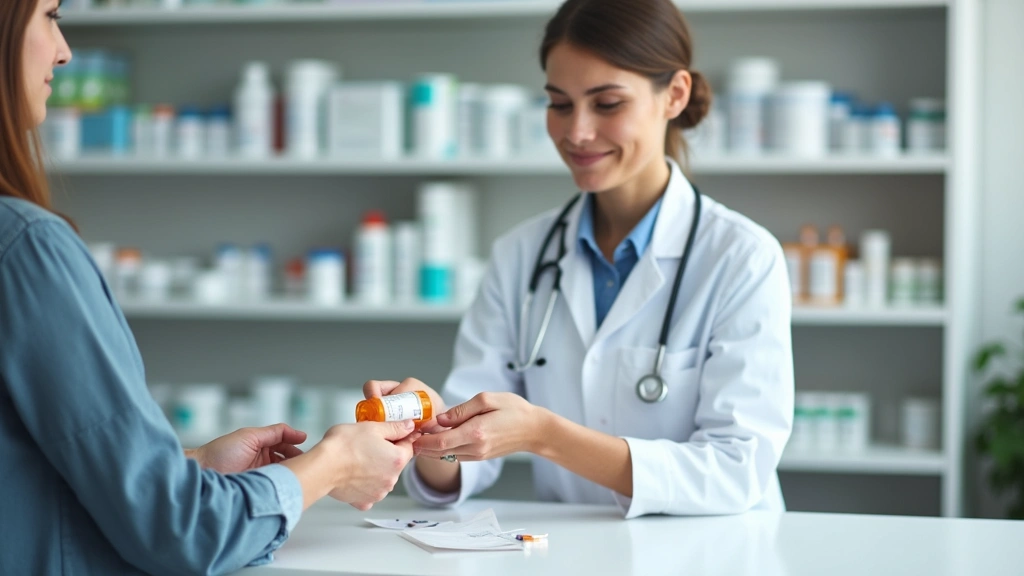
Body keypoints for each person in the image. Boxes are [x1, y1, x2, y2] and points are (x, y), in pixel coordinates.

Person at [0, 1, 418, 574]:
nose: (65, 51)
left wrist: (190, 466)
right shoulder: (27, 246)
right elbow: (179, 531)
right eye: (50, 14)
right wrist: (333, 465)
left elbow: (24, 475)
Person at [365, 0, 794, 519]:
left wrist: (546, 436)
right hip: (572, 551)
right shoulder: (521, 255)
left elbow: (736, 469)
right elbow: (463, 459)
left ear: (675, 95)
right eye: (560, 104)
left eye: (607, 103)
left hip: (714, 550)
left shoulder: (742, 258)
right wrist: (432, 434)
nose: (577, 132)